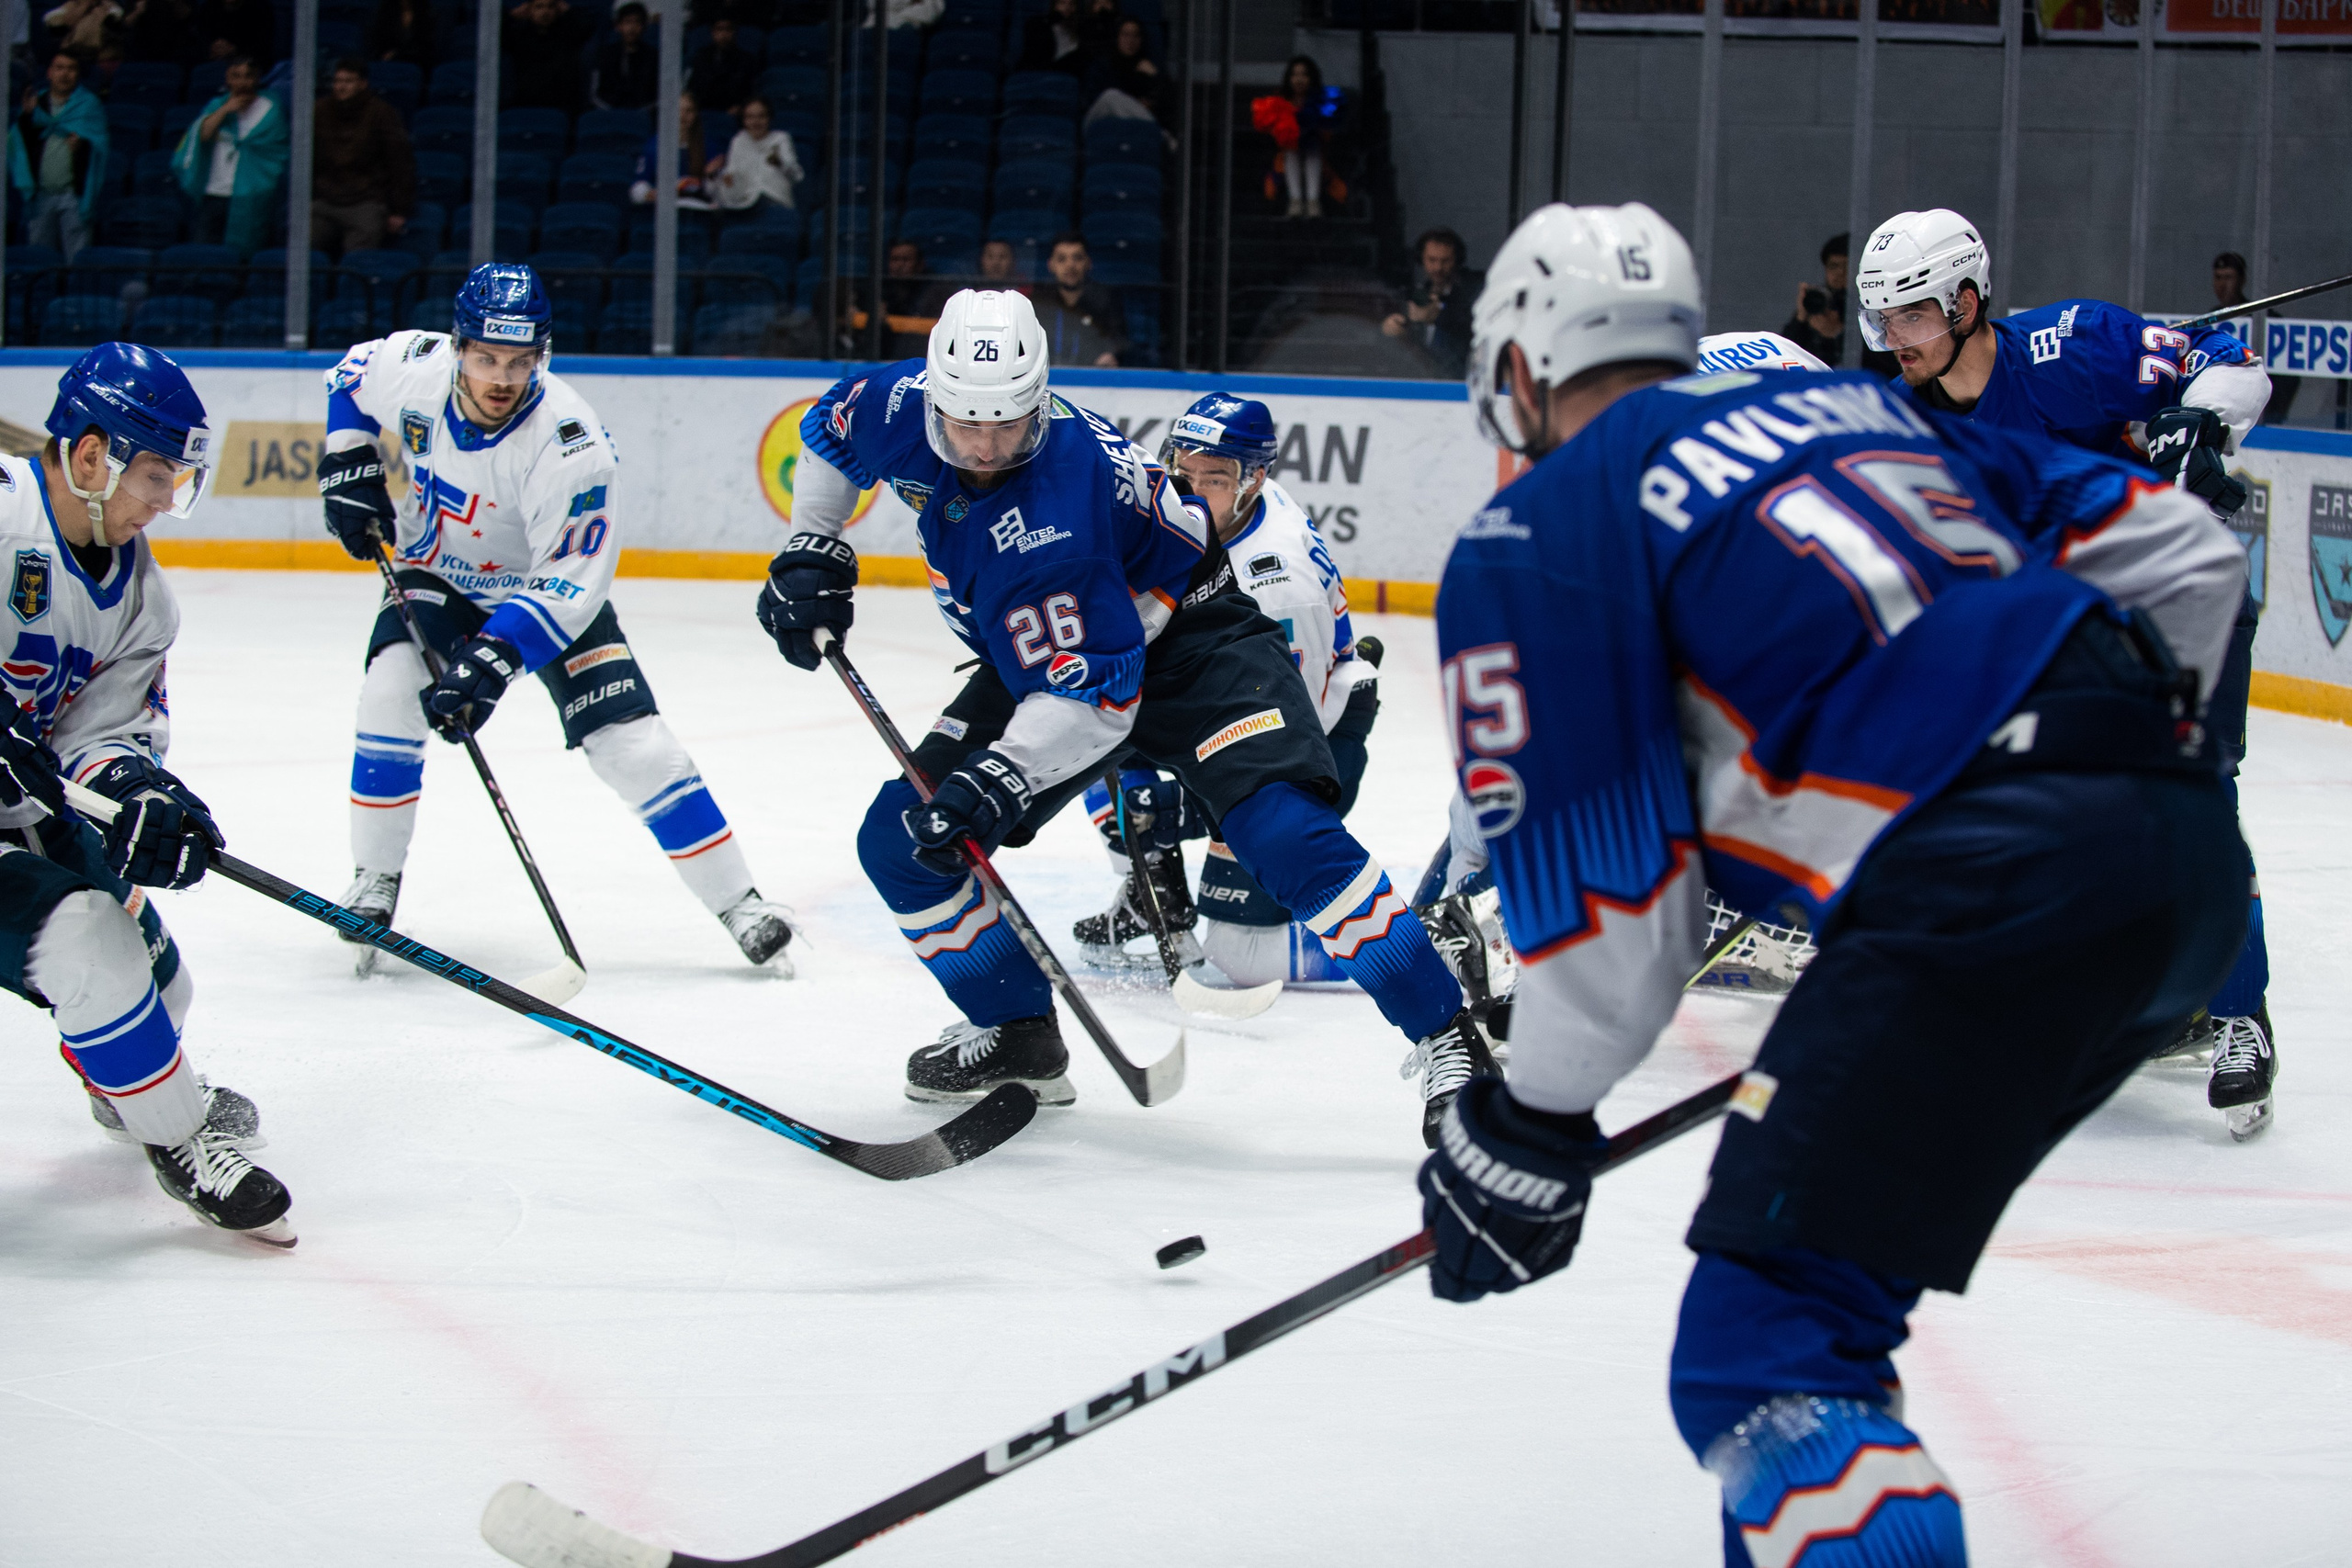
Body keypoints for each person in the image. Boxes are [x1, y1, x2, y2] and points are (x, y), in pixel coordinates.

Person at [1423, 200, 2247, 1567]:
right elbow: (2190, 555)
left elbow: (1615, 914)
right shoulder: (1872, 415)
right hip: (2180, 869)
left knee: (1766, 1360)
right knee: (1813, 1302)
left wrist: (1528, 1128)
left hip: (1977, 883)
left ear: (1516, 366)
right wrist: (2138, 784)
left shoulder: (1538, 528)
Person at [753, 290, 1487, 1140]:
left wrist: (999, 778)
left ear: (1039, 402)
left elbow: (1098, 698)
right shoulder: (899, 403)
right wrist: (813, 543)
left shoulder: (1060, 507)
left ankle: (1450, 1038)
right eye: (965, 427)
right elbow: (829, 430)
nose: (984, 449)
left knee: (1286, 834)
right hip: (1049, 654)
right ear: (932, 398)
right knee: (901, 840)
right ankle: (1018, 1032)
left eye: (1007, 427)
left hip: (1194, 650)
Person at [1859, 206, 2279, 1138]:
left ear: (1966, 304)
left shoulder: (2072, 347)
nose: (1896, 339)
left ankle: (2239, 1016)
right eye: (1883, 319)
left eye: (1912, 315)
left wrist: (2199, 427)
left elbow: (2235, 363)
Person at [316, 265, 799, 972]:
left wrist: (494, 656)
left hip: (542, 596)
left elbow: (571, 582)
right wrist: (347, 457)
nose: (501, 378)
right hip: (436, 574)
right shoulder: (415, 368)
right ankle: (374, 879)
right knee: (390, 692)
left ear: (542, 354)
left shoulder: (572, 445)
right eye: (486, 358)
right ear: (458, 346)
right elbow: (348, 378)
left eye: (520, 361)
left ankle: (742, 903)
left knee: (634, 747)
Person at [0, 344, 297, 1246]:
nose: (167, 500)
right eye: (156, 475)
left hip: (18, 810)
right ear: (92, 457)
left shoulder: (141, 597)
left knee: (162, 990)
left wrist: (141, 792)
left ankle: (124, 1086)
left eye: (176, 479)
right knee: (90, 941)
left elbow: (98, 735)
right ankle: (182, 1139)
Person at [1072, 393, 1381, 990]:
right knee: (1085, 715)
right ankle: (1153, 892)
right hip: (1235, 698)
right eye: (1181, 470)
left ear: (1252, 480)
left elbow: (1284, 733)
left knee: (1243, 954)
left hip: (1311, 736)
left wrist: (1183, 808)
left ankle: (1424, 938)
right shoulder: (1220, 510)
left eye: (1212, 479)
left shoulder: (1276, 587)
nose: (1188, 490)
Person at [172, 54, 287, 253]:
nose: (242, 82)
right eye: (236, 76)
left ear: (257, 78)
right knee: (205, 253)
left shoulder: (271, 110)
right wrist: (225, 110)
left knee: (245, 255)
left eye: (248, 76)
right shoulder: (217, 105)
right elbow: (202, 135)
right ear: (228, 78)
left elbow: (276, 154)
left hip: (252, 196)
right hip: (215, 193)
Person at [7, 51, 107, 263]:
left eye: (71, 69)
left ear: (78, 74)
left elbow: (100, 148)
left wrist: (82, 147)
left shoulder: (88, 106)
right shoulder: (36, 105)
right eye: (59, 68)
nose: (65, 74)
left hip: (74, 197)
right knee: (39, 262)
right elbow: (18, 146)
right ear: (50, 73)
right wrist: (26, 118)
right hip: (41, 196)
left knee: (77, 261)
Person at [311, 58, 414, 258]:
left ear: (363, 84)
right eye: (337, 81)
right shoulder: (320, 111)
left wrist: (399, 209)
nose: (341, 87)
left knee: (358, 259)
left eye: (348, 81)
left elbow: (400, 163)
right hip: (326, 199)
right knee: (301, 246)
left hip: (366, 200)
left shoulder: (382, 113)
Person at [2211, 250, 2301, 425]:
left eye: (2228, 277)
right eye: (2218, 277)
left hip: (2256, 414)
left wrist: (2272, 412)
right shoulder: (2210, 319)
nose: (2222, 284)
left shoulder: (2263, 319)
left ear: (2242, 280)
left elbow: (2288, 376)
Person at [1380, 228, 1477, 379]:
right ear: (1421, 260)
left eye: (1445, 261)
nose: (1438, 268)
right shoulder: (1419, 293)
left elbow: (1472, 324)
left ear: (1457, 260)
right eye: (1432, 260)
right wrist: (1393, 326)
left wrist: (1438, 317)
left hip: (1458, 381)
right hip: (1421, 379)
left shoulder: (1472, 290)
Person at [1033, 231, 1125, 367]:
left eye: (1077, 258)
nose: (1070, 265)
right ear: (1050, 265)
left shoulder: (1105, 300)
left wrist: (1110, 355)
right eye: (1062, 259)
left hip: (1092, 376)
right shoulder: (1040, 302)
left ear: (1088, 263)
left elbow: (1120, 341)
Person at [630, 89, 719, 208]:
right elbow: (638, 185)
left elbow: (717, 191)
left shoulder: (708, 145)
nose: (683, 116)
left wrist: (711, 177)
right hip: (664, 208)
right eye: (678, 110)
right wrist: (648, 194)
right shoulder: (654, 145)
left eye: (689, 111)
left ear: (696, 115)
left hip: (697, 209)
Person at [505, 0, 595, 114]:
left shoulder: (567, 35)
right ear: (529, 10)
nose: (545, 12)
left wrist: (568, 11)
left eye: (550, 7)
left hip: (562, 105)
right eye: (539, 7)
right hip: (527, 103)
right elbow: (494, 34)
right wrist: (512, 15)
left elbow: (587, 28)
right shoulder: (518, 35)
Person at [713, 96, 799, 211]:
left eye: (761, 116)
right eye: (750, 117)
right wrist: (727, 180)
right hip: (746, 205)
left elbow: (796, 176)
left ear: (769, 118)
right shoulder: (738, 141)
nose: (756, 122)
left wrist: (780, 163)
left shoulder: (781, 139)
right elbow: (731, 178)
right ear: (744, 120)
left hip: (776, 202)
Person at [1778, 231, 1849, 367]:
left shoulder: (1869, 304)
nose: (1840, 272)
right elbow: (1785, 353)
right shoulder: (1819, 302)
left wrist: (1836, 334)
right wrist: (1801, 317)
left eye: (1847, 266)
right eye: (1834, 266)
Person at [1083, 16, 1170, 127]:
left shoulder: (1145, 67)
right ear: (1117, 37)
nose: (1130, 41)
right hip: (1099, 121)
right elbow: (1091, 99)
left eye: (1136, 36)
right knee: (1111, 96)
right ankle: (1158, 133)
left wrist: (1155, 75)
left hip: (1132, 125)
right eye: (1126, 35)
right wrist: (1133, 105)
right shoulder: (1102, 65)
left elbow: (1166, 101)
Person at [589, 1, 656, 112]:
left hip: (643, 115)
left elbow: (656, 94)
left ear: (644, 26)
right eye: (627, 22)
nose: (632, 28)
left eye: (637, 22)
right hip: (610, 113)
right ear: (618, 26)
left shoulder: (653, 56)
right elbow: (596, 93)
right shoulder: (605, 55)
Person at [688, 15, 759, 112]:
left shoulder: (747, 60)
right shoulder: (701, 57)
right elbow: (695, 88)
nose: (723, 34)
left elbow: (750, 91)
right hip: (703, 109)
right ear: (712, 32)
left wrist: (741, 107)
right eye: (719, 29)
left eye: (728, 29)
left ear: (734, 32)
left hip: (736, 112)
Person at [1015, 0, 1084, 74]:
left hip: (1064, 73)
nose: (1067, 7)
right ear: (1054, 5)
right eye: (1062, 3)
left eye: (1072, 4)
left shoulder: (1079, 30)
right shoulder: (1038, 24)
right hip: (1037, 72)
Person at [194, 0, 273, 62]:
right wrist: (211, 48)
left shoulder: (260, 8)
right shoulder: (208, 8)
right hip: (214, 63)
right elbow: (201, 40)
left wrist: (234, 49)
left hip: (251, 63)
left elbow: (262, 46)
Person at [368, 0, 436, 70]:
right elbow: (379, 42)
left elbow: (425, 46)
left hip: (418, 62)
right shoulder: (385, 13)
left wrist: (398, 54)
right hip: (389, 62)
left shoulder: (426, 13)